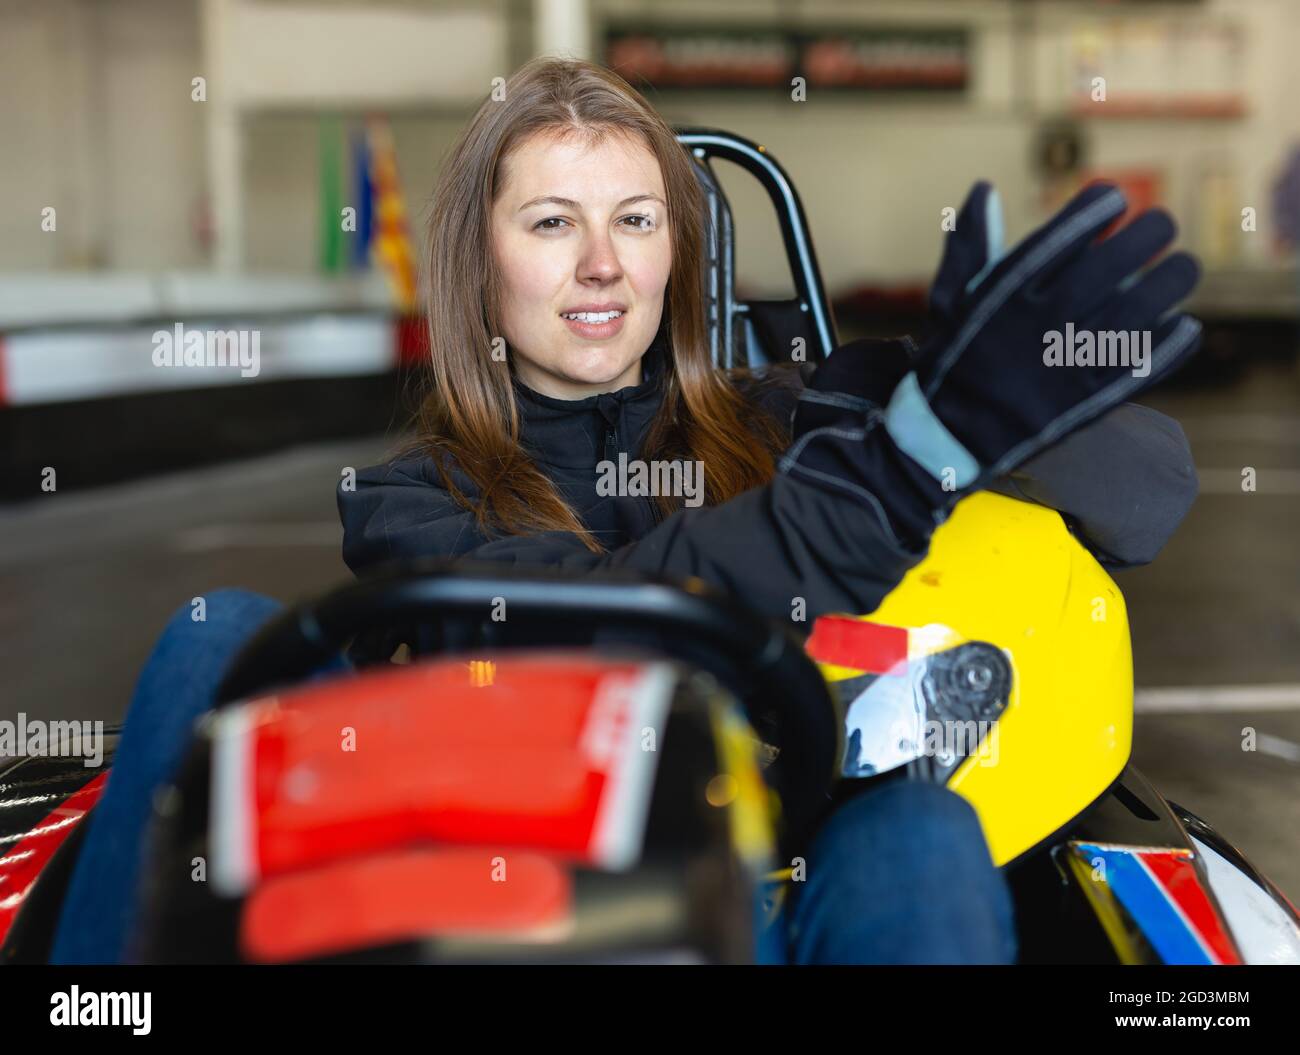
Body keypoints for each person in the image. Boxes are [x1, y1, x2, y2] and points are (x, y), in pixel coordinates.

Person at [50, 57, 1200, 965]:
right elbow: (576, 631)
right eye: (553, 223)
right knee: (219, 628)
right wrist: (893, 471)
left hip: (762, 874)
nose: (602, 264)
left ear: (675, 253)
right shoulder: (412, 502)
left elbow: (1148, 499)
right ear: (479, 265)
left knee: (922, 826)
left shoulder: (796, 413)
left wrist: (965, 388)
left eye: (636, 221)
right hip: (497, 892)